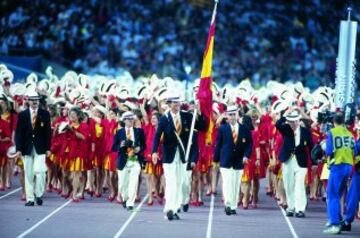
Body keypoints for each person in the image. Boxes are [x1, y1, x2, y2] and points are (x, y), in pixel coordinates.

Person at [152, 92, 205, 221]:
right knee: (171, 182)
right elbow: (157, 136)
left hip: (183, 155)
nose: (177, 105)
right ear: (169, 105)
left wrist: (199, 112)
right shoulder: (164, 119)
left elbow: (202, 126)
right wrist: (154, 151)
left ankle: (175, 208)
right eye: (174, 103)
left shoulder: (187, 116)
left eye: (178, 102)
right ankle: (169, 208)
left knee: (179, 183)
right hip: (169, 155)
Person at [214, 105, 253, 215]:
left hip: (239, 161)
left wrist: (246, 155)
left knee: (236, 184)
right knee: (227, 183)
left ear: (237, 115)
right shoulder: (222, 129)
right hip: (225, 161)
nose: (232, 117)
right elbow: (218, 145)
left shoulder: (244, 128)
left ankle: (233, 206)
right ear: (227, 116)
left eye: (234, 114)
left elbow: (250, 144)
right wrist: (216, 159)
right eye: (230, 115)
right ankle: (228, 204)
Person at [15, 90, 51, 206]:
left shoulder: (45, 114)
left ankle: (39, 194)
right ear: (28, 101)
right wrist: (19, 149)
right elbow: (19, 133)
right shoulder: (22, 115)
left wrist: (48, 148)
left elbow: (48, 133)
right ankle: (30, 199)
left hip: (41, 148)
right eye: (33, 100)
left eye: (36, 100)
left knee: (40, 172)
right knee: (29, 174)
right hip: (27, 147)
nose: (35, 102)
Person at [276, 108, 314, 218]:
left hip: (301, 161)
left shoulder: (306, 131)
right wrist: (287, 112)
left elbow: (311, 147)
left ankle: (300, 209)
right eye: (291, 121)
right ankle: (291, 207)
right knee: (288, 185)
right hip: (287, 160)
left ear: (298, 120)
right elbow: (278, 124)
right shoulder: (286, 129)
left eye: (295, 121)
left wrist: (314, 162)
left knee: (299, 185)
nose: (293, 123)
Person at [323, 112, 355, 234]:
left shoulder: (332, 132)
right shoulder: (350, 133)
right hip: (348, 166)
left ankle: (334, 224)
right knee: (338, 194)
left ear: (333, 121)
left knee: (332, 195)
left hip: (338, 165)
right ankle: (337, 219)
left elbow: (329, 151)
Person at [112, 111, 146, 211]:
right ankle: (125, 198)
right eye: (128, 119)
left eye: (131, 119)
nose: (130, 121)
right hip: (123, 159)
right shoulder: (119, 132)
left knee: (134, 182)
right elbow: (114, 147)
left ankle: (130, 203)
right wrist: (121, 145)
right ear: (124, 120)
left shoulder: (139, 131)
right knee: (122, 183)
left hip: (135, 160)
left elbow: (144, 145)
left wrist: (139, 149)